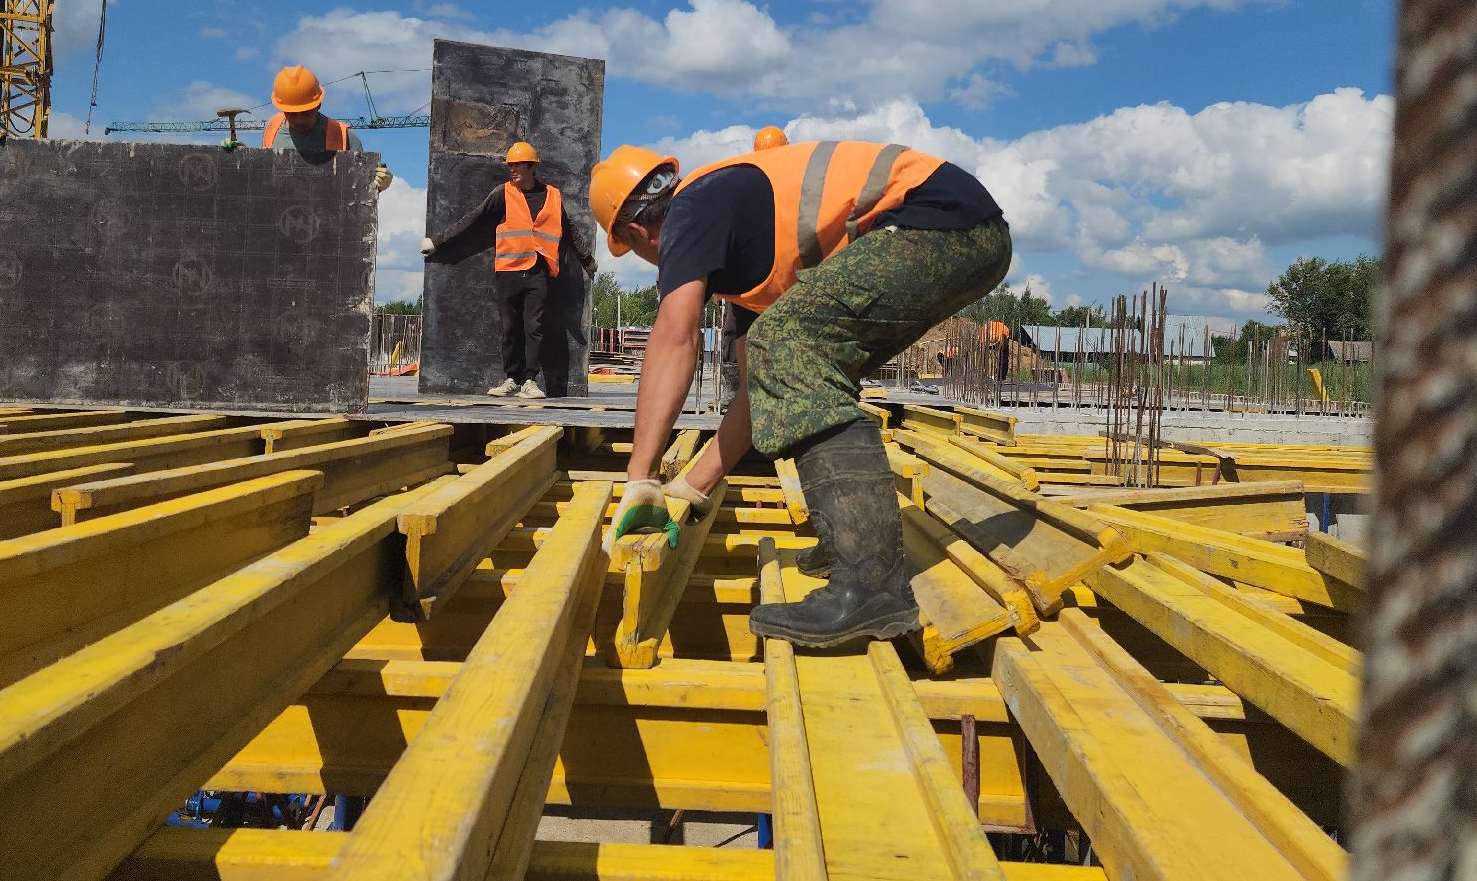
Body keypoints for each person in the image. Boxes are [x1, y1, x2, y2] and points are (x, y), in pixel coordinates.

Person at [589, 138, 1010, 646]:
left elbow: (675, 335)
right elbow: (759, 387)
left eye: (635, 252)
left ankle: (870, 587)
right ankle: (852, 545)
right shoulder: (744, 256)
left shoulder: (692, 207)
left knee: (787, 341)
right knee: (786, 352)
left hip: (943, 224)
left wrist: (641, 478)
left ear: (637, 230)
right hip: (961, 231)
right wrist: (691, 488)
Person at [421, 140, 596, 399]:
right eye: (510, 165)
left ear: (532, 167)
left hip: (539, 271)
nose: (512, 169)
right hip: (509, 271)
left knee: (534, 327)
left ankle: (530, 381)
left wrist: (586, 259)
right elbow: (474, 218)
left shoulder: (552, 196)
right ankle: (512, 379)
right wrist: (438, 242)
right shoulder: (503, 193)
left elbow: (568, 229)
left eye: (517, 165)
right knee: (510, 329)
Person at [262, 65, 394, 192]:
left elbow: (360, 190)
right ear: (282, 108)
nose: (300, 120)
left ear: (318, 104)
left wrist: (379, 184)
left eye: (306, 112)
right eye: (292, 114)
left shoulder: (344, 136)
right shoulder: (272, 128)